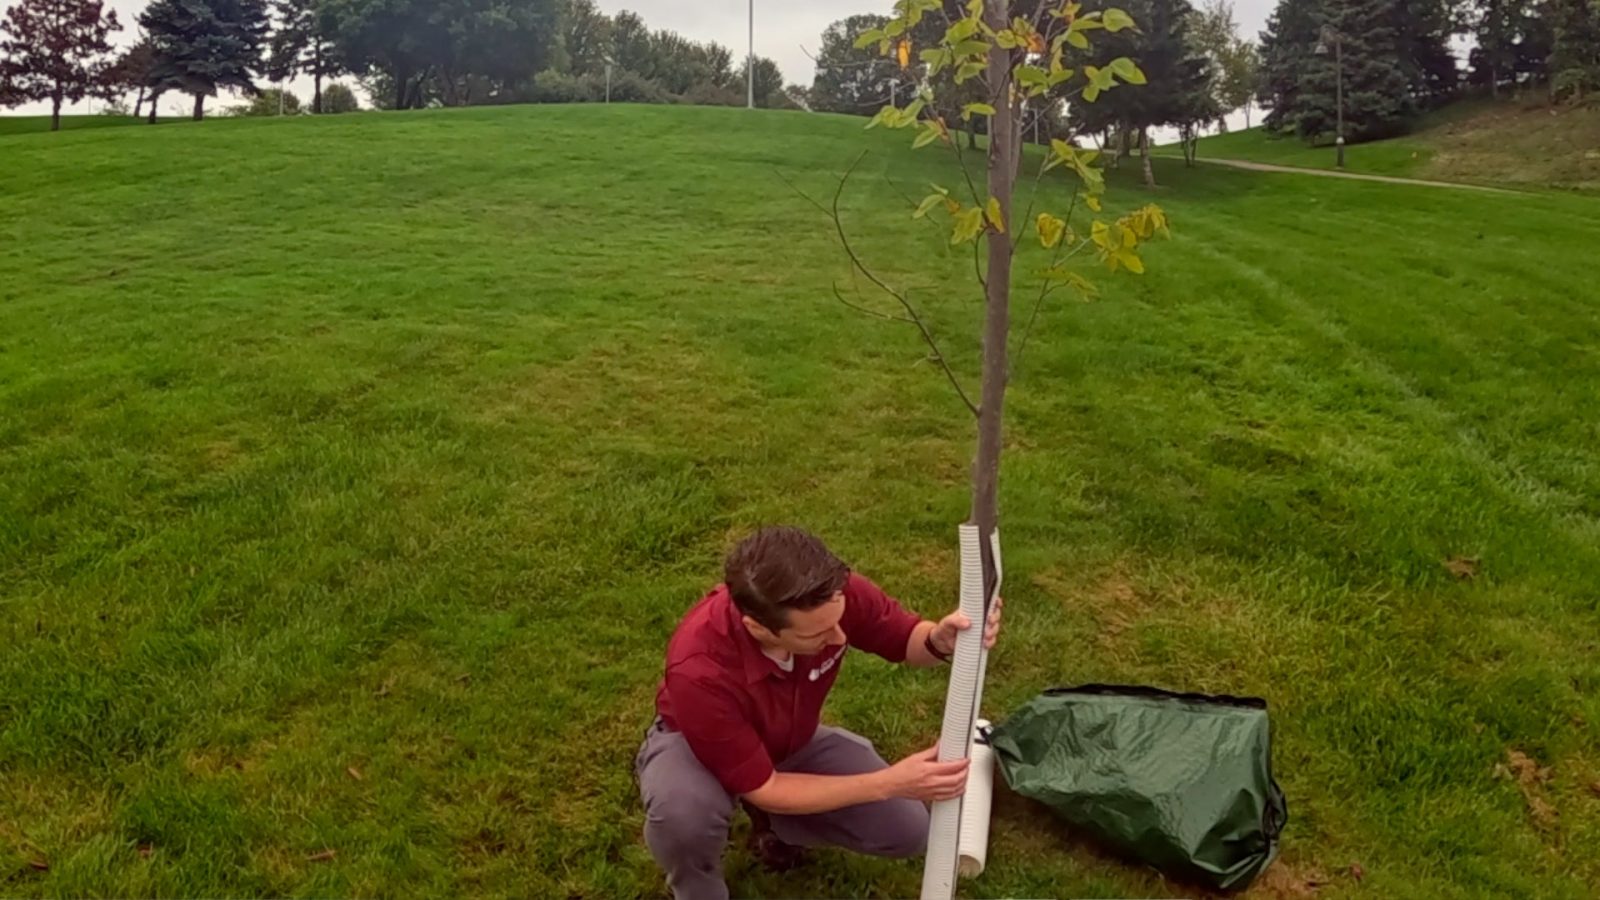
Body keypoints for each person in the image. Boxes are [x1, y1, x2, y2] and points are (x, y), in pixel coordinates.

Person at [635, 526, 1003, 900]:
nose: (840, 639)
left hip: (789, 737)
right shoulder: (699, 669)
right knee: (684, 818)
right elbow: (768, 788)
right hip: (695, 744)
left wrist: (938, 639)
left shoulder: (830, 596)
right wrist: (890, 782)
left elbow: (907, 640)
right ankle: (698, 890)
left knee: (906, 830)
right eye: (818, 636)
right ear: (758, 628)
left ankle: (775, 827)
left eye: (838, 622)